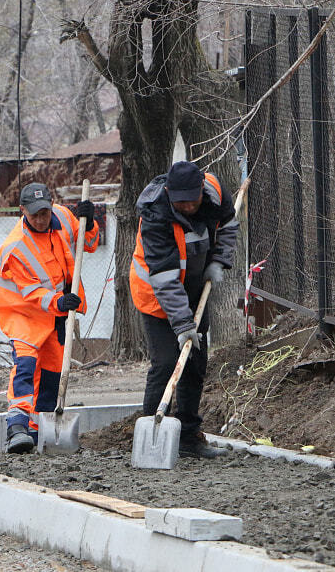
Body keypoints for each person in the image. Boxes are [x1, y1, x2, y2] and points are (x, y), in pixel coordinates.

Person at [130, 161, 238, 459]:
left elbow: (228, 226)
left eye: (193, 199)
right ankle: (151, 435)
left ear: (201, 190)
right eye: (181, 201)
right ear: (168, 193)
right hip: (156, 294)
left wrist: (219, 260)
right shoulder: (155, 214)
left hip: (194, 292)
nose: (188, 206)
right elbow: (164, 278)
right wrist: (182, 325)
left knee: (194, 364)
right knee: (166, 363)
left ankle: (189, 437)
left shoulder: (215, 192)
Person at [0, 182, 99, 453]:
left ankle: (38, 432)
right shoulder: (16, 247)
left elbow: (89, 244)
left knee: (52, 374)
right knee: (26, 367)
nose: (41, 220)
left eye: (45, 213)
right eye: (35, 215)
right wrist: (60, 301)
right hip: (23, 313)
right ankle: (16, 427)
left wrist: (90, 220)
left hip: (55, 315)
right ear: (23, 211)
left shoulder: (62, 216)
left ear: (52, 206)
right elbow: (31, 292)